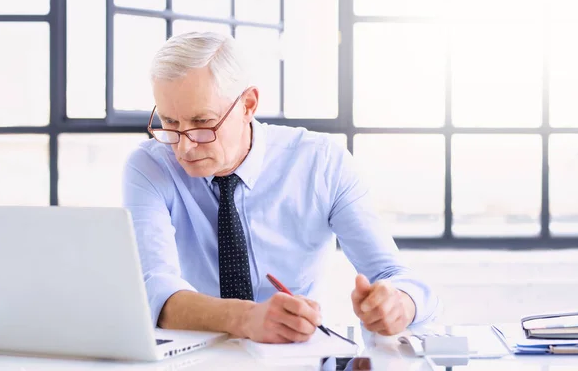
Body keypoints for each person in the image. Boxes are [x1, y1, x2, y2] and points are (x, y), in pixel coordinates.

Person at [122, 32, 439, 344]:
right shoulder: (150, 167)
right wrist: (245, 319)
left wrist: (400, 303)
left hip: (295, 354)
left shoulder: (321, 163)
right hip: (194, 355)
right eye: (170, 123)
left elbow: (396, 275)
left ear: (248, 104)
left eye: (202, 122)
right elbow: (152, 292)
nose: (185, 148)